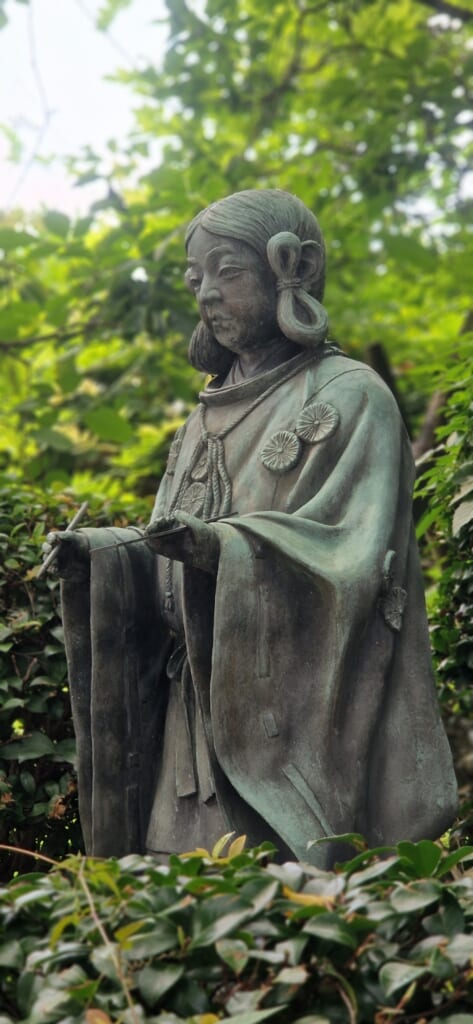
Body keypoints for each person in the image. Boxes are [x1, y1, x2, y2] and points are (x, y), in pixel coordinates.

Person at [46, 189, 457, 866]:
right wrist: (101, 556)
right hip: (191, 716)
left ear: (288, 269)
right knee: (177, 898)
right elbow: (162, 555)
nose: (206, 293)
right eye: (194, 278)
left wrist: (221, 548)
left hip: (286, 723)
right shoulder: (196, 421)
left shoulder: (348, 396)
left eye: (226, 272)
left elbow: (349, 560)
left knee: (270, 891)